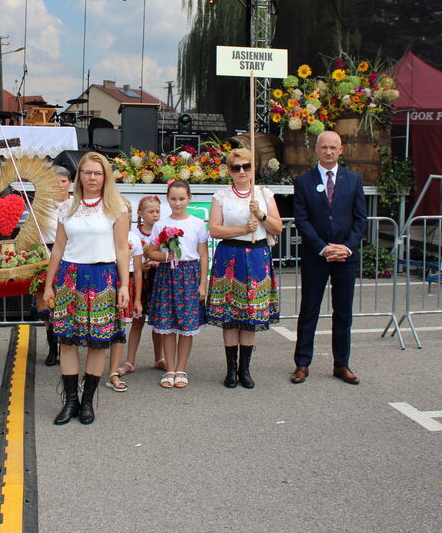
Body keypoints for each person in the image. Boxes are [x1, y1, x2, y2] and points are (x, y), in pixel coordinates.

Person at [43, 152, 130, 425]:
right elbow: (57, 249)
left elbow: (121, 249)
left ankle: (88, 401)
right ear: (79, 175)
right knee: (67, 342)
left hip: (102, 278)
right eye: (87, 172)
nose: (92, 177)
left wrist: (124, 284)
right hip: (70, 278)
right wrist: (48, 285)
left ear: (105, 177)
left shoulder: (116, 208)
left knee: (96, 344)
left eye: (98, 173)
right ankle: (70, 401)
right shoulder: (65, 208)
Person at [291, 130, 367, 385]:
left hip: (346, 257)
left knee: (343, 312)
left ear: (341, 150)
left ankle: (341, 364)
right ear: (316, 149)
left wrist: (346, 247)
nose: (328, 152)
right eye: (324, 147)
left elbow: (360, 220)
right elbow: (302, 220)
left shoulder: (353, 180)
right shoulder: (304, 181)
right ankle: (302, 363)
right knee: (309, 310)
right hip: (316, 256)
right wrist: (323, 248)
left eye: (333, 147)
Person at [206, 148, 283, 389]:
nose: (241, 171)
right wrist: (242, 230)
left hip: (257, 256)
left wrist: (259, 214)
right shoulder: (221, 196)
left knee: (249, 315)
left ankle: (245, 369)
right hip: (229, 255)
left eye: (246, 166)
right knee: (230, 315)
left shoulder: (263, 193)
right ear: (229, 171)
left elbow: (277, 227)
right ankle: (230, 369)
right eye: (236, 167)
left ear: (253, 168)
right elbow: (215, 230)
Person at [145, 180, 209, 389]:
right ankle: (170, 368)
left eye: (182, 199)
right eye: (173, 199)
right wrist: (166, 255)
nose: (178, 203)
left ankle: (181, 368)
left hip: (189, 275)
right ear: (167, 199)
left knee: (186, 325)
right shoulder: (160, 224)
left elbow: (203, 255)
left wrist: (203, 284)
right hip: (167, 275)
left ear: (189, 198)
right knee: (168, 325)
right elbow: (151, 252)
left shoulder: (198, 224)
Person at [117, 195, 165, 376]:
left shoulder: (162, 232)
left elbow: (167, 254)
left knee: (158, 321)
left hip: (156, 279)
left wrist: (158, 262)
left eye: (157, 211)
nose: (155, 215)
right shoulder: (134, 234)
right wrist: (142, 264)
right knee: (137, 322)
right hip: (139, 281)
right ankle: (130, 361)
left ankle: (159, 358)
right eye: (151, 211)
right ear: (140, 213)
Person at [37, 165, 73, 367]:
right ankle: (52, 347)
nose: (60, 186)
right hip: (46, 255)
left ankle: (67, 345)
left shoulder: (76, 205)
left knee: (66, 304)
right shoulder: (41, 207)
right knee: (48, 305)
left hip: (70, 255)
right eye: (55, 182)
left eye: (63, 181)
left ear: (70, 184)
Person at [105, 200, 143, 392]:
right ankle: (92, 371)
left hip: (125, 283)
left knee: (119, 328)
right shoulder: (105, 236)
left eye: (127, 214)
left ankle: (113, 370)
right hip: (106, 280)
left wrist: (136, 298)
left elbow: (137, 270)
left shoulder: (134, 239)